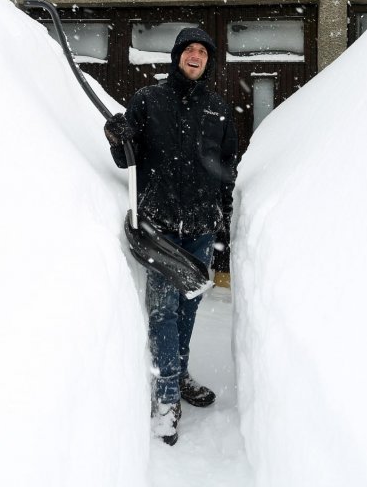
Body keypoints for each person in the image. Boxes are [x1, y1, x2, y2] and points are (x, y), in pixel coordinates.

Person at [103, 27, 238, 446]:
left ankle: (177, 376)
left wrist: (223, 214)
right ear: (177, 56)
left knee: (187, 311)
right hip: (159, 228)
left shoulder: (218, 109)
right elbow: (128, 157)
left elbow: (226, 167)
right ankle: (165, 399)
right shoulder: (149, 100)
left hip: (200, 227)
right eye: (189, 50)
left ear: (207, 61)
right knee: (163, 313)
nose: (195, 56)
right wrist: (118, 137)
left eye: (203, 51)